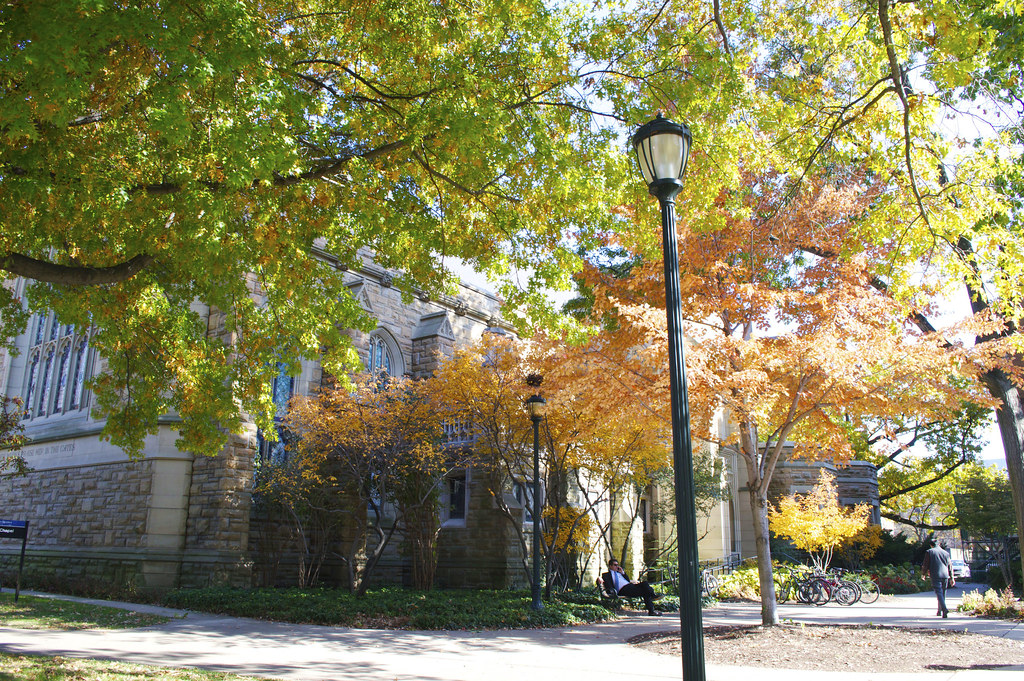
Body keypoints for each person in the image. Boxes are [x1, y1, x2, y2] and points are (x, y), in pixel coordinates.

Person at [921, 541, 956, 618]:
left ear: (931, 545)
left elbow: (925, 564)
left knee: (939, 593)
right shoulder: (945, 553)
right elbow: (950, 565)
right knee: (943, 593)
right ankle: (940, 611)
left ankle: (944, 609)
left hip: (935, 575)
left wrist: (923, 574)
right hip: (945, 575)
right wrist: (952, 577)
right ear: (939, 544)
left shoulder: (929, 552)